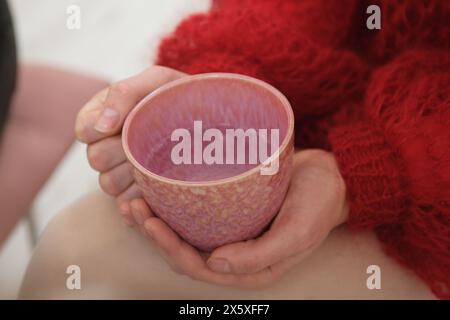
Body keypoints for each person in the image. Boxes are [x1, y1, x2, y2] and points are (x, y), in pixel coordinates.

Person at [21, 0, 449, 299]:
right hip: (336, 137)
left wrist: (370, 173)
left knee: (78, 259)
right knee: (77, 247)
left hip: (431, 204)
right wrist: (221, 84)